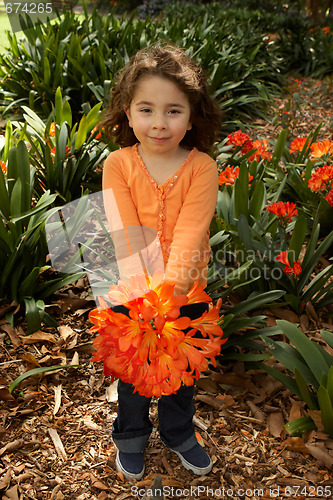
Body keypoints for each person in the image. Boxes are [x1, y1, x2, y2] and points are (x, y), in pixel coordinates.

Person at [100, 42, 223, 481]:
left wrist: (171, 293)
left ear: (193, 117)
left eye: (173, 111)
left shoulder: (201, 167)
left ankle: (178, 432)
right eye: (146, 109)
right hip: (132, 295)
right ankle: (130, 435)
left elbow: (192, 232)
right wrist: (145, 297)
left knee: (181, 374)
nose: (158, 123)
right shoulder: (118, 164)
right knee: (134, 375)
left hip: (186, 292)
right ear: (127, 114)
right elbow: (124, 233)